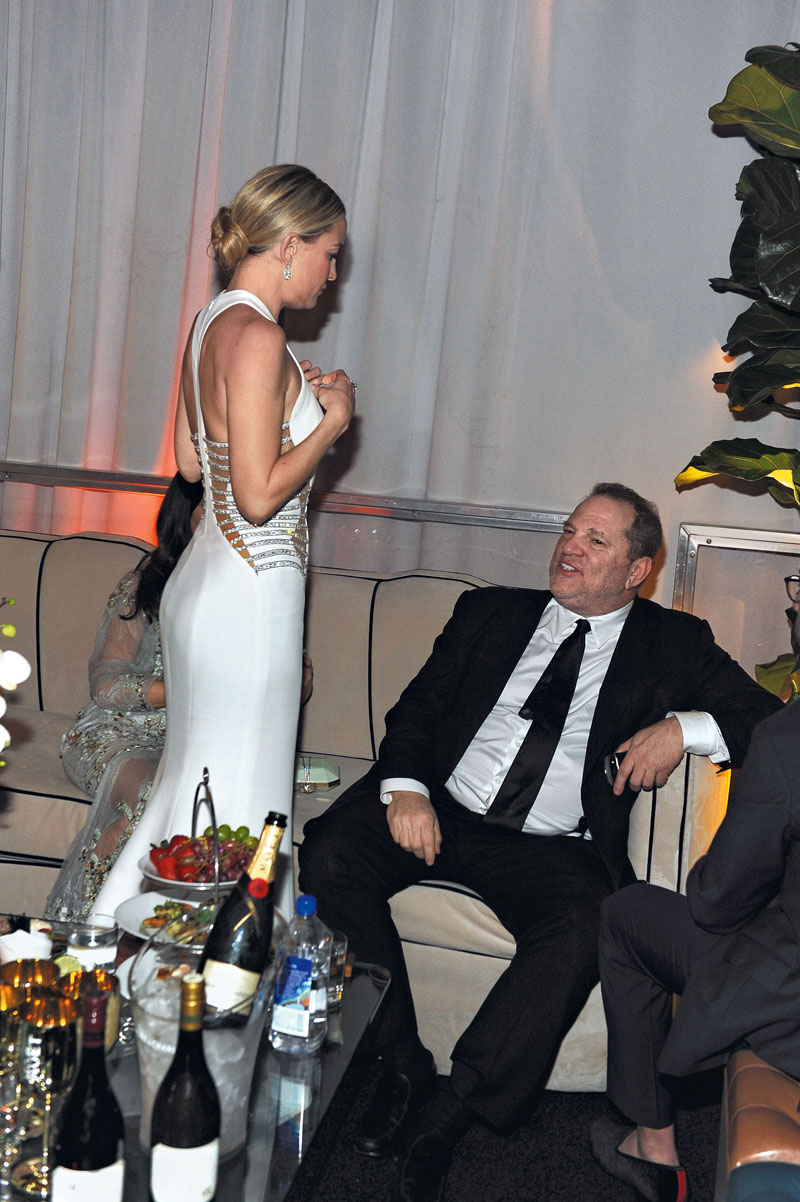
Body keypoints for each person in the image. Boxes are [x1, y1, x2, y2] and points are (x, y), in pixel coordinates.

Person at [298, 482, 781, 1202]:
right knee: (331, 847)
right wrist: (405, 789)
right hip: (445, 807)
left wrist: (686, 729)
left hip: (549, 846)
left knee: (590, 922)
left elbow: (769, 723)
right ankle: (396, 1059)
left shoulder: (672, 643)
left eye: (596, 540)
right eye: (569, 531)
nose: (571, 548)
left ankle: (451, 1111)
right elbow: (419, 709)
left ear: (637, 568)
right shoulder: (489, 612)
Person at [95, 164, 355, 920]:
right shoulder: (260, 334)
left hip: (206, 588)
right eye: (329, 252)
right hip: (249, 599)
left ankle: (139, 948)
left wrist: (285, 400)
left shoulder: (212, 322)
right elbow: (259, 493)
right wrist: (331, 421)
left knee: (193, 788)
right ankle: (205, 982)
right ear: (289, 244)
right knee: (240, 797)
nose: (332, 274)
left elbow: (186, 462)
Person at [590, 575, 800, 1202]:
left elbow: (717, 899)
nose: (792, 600)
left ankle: (652, 1144)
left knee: (629, 914)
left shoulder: (789, 740)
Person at [45, 473, 202, 919]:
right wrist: (186, 691)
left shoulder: (249, 595)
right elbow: (106, 685)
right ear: (183, 515)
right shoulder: (145, 584)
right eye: (211, 509)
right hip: (115, 733)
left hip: (194, 742)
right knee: (157, 791)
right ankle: (82, 925)